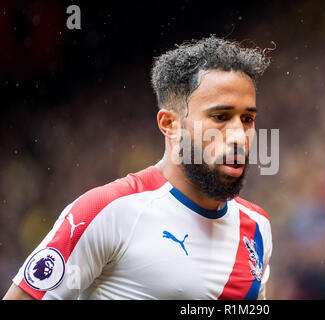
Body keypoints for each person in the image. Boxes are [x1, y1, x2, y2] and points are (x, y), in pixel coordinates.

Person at [3, 35, 273, 300]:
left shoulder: (257, 227)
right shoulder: (106, 211)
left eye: (247, 119)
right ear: (170, 124)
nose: (240, 135)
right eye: (220, 117)